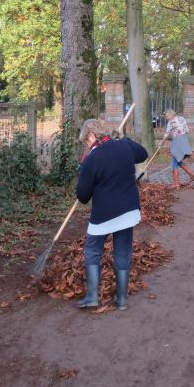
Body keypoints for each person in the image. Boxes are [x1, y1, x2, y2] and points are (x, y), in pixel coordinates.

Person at [75, 118, 148, 311]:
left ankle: (92, 297)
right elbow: (142, 153)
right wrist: (125, 139)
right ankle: (121, 300)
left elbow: (83, 196)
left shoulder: (92, 158)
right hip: (128, 211)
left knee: (92, 251)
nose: (87, 144)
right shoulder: (124, 146)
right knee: (122, 251)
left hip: (104, 215)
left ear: (91, 135)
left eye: (86, 141)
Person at [163, 109, 194, 189]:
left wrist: (162, 142)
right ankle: (191, 174)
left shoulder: (171, 122)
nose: (166, 118)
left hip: (177, 141)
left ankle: (177, 183)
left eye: (166, 116)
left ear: (170, 114)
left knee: (175, 161)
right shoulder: (181, 118)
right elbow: (187, 130)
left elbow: (166, 134)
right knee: (177, 160)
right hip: (184, 140)